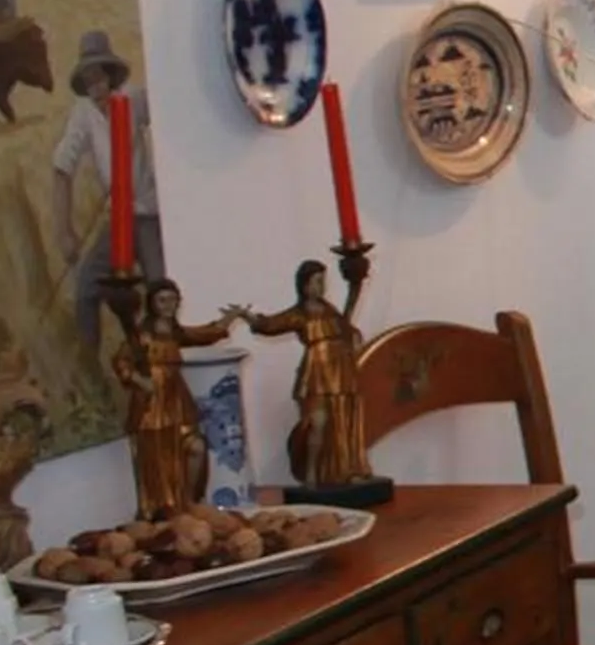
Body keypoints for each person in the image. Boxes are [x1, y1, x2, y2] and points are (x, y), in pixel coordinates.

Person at [49, 30, 163, 354]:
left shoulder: (134, 98)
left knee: (160, 288)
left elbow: (168, 123)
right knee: (86, 287)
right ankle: (89, 363)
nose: (95, 87)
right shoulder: (83, 113)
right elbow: (62, 168)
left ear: (111, 75)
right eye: (88, 81)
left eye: (99, 77)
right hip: (118, 218)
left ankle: (164, 356)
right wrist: (63, 230)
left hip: (149, 214)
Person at [229, 258, 365, 487]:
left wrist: (352, 334)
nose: (320, 287)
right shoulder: (299, 313)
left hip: (339, 369)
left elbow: (345, 326)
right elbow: (272, 324)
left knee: (341, 420)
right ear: (304, 285)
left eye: (322, 281)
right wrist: (249, 317)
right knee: (317, 422)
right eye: (316, 281)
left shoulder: (329, 310)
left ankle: (345, 470)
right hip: (316, 371)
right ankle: (311, 472)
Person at [110, 279, 230, 517]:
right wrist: (137, 378)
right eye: (162, 300)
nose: (168, 305)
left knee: (195, 447)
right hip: (152, 407)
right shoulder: (142, 336)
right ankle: (161, 510)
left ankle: (188, 501)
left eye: (173, 300)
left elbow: (204, 334)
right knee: (158, 462)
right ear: (152, 304)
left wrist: (230, 318)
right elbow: (120, 361)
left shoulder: (176, 333)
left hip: (177, 401)